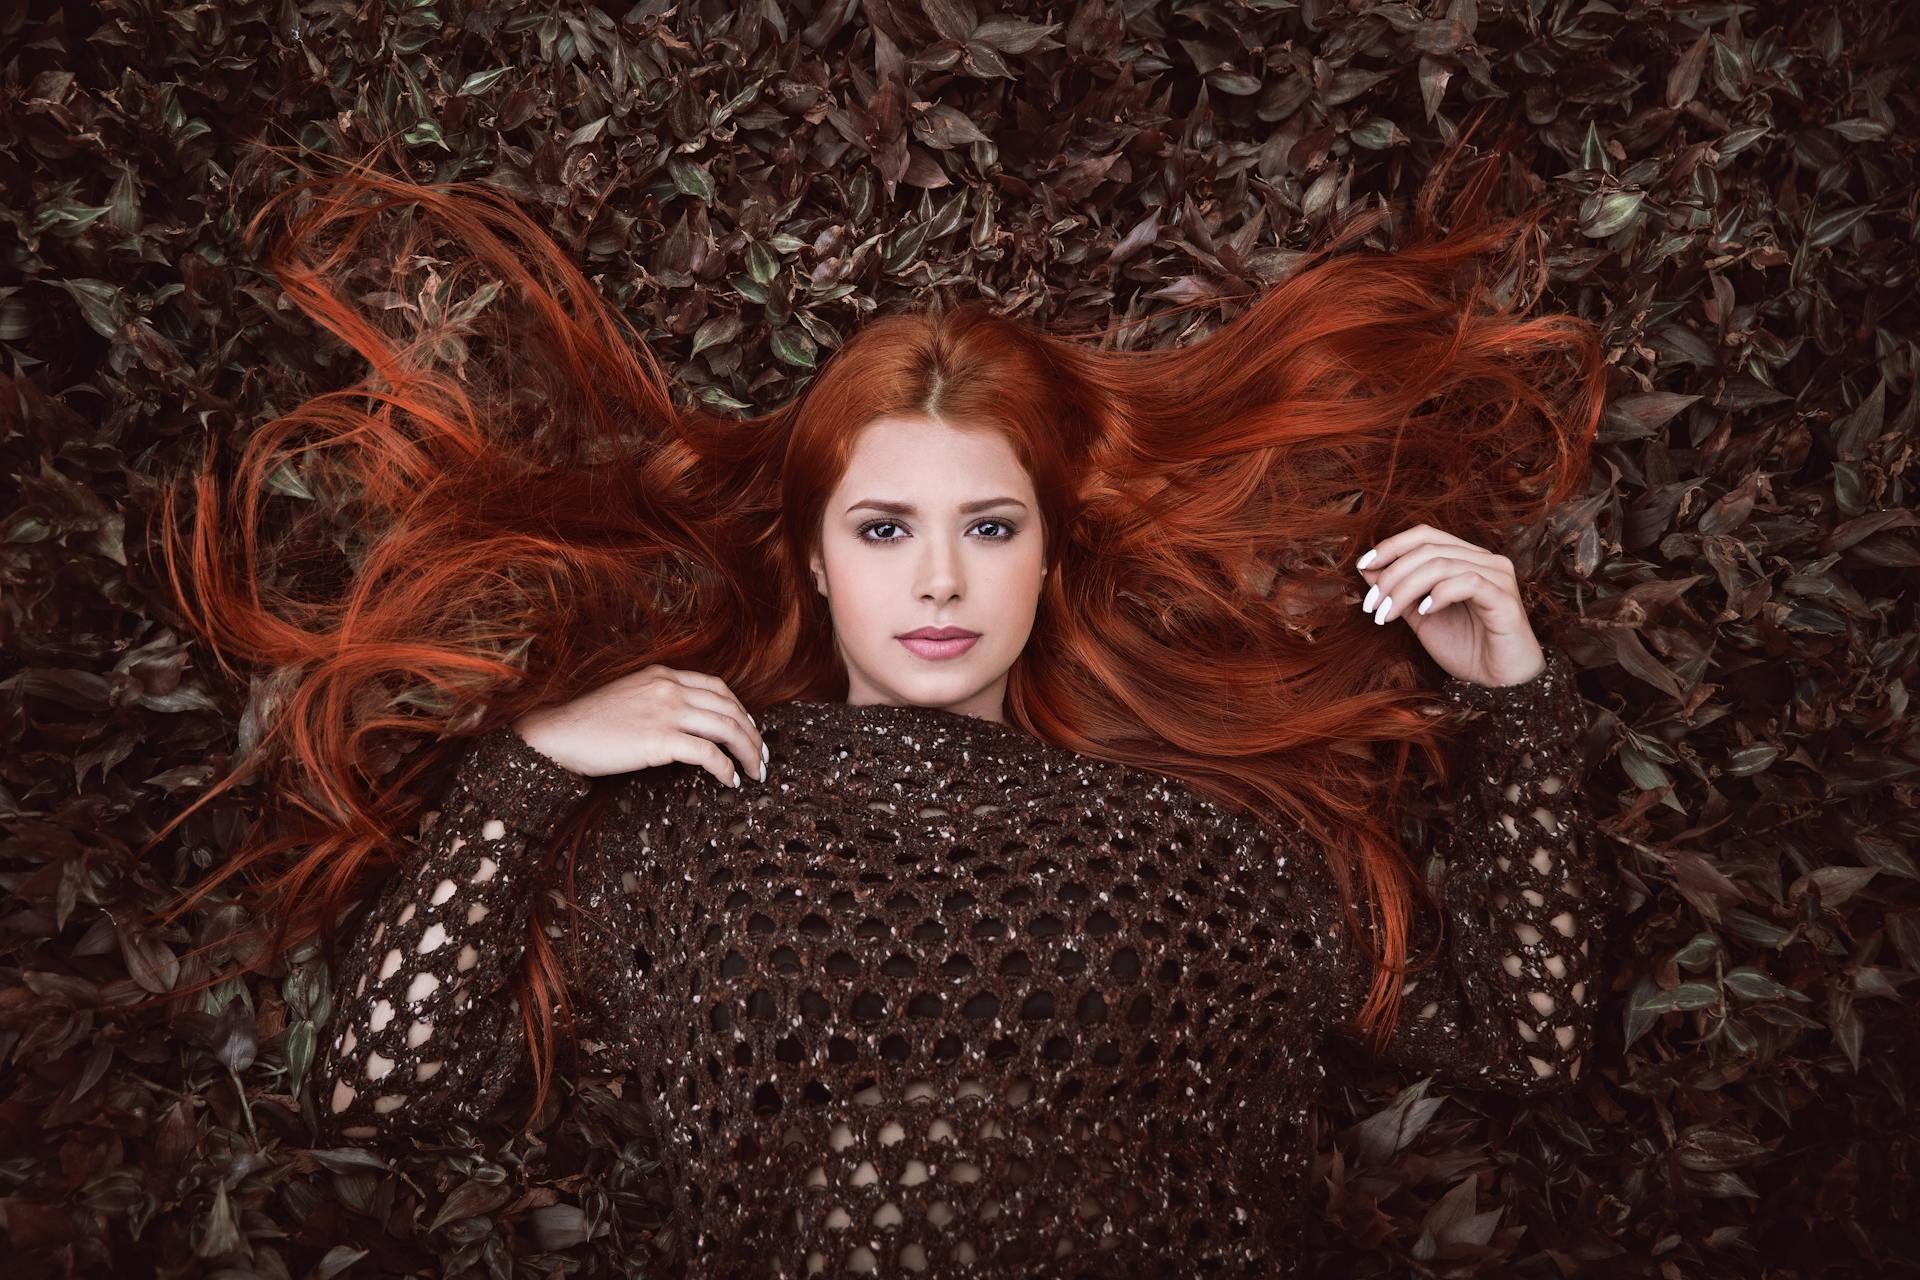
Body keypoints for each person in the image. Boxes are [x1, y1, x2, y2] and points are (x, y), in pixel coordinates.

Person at [133, 120, 1613, 1276]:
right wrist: (523, 773)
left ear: (1050, 553)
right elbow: (378, 1090)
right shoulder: (678, 826)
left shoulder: (1212, 838)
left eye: (990, 527)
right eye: (886, 529)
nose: (941, 587)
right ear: (820, 562)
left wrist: (1518, 699)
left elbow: (1523, 1048)